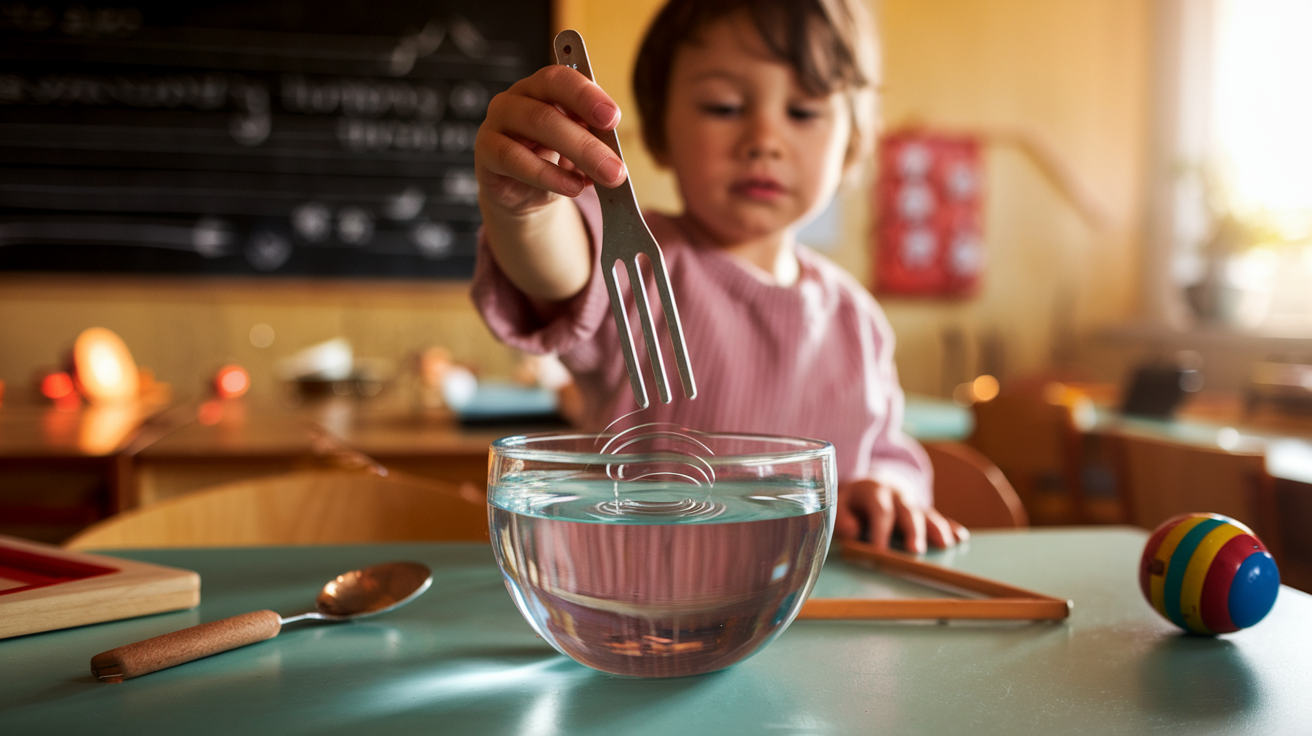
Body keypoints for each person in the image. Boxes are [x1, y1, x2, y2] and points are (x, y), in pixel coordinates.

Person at [471, 0, 967, 552]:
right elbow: (557, 263)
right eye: (723, 106)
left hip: (806, 616)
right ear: (659, 128)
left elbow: (885, 455)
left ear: (853, 140)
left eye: (803, 112)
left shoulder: (858, 321)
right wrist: (526, 209)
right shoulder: (633, 258)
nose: (764, 139)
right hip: (635, 619)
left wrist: (883, 490)